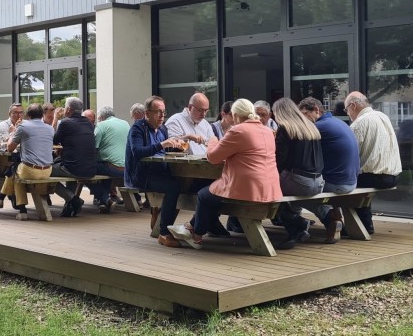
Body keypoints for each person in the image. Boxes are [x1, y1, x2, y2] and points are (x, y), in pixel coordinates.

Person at [168, 99, 282, 249]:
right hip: (271, 187)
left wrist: (213, 140)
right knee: (214, 194)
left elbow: (213, 158)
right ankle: (191, 227)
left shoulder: (238, 130)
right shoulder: (268, 131)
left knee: (204, 195)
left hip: (249, 188)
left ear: (235, 115)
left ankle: (196, 234)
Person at [124, 95, 188, 248]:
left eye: (164, 112)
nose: (162, 116)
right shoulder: (138, 128)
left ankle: (164, 217)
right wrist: (162, 144)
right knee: (173, 186)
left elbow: (163, 150)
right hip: (140, 175)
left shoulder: (162, 129)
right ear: (147, 113)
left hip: (159, 171)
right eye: (158, 112)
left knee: (186, 182)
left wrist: (174, 146)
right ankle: (164, 233)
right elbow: (137, 151)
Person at [297, 97, 360, 244]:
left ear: (317, 110)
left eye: (305, 114)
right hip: (351, 180)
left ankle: (330, 219)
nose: (303, 119)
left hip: (338, 183)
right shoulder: (338, 122)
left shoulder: (319, 127)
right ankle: (334, 216)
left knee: (298, 190)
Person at [344, 91, 402, 234]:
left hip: (375, 176)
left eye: (346, 110)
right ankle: (366, 224)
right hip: (393, 177)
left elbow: (348, 155)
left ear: (353, 105)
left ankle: (357, 225)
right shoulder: (383, 116)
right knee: (359, 178)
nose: (347, 114)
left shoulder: (359, 123)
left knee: (342, 182)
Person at [271, 97, 325, 250]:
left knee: (264, 189)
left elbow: (279, 160)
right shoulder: (310, 126)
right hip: (319, 182)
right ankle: (296, 228)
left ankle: (298, 223)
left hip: (300, 182)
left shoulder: (285, 128)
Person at [0, 103, 55, 220]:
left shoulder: (23, 127)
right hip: (48, 170)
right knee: (16, 171)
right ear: (42, 115)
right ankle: (4, 202)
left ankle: (8, 202)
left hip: (31, 170)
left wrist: (14, 131)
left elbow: (9, 148)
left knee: (13, 172)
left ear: (27, 115)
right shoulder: (50, 128)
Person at [51, 96, 97, 217]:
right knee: (70, 166)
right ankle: (69, 207)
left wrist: (55, 119)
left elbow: (54, 140)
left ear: (68, 109)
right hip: (90, 167)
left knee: (42, 173)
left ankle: (73, 199)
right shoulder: (88, 122)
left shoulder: (65, 122)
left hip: (74, 167)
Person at [93, 105, 130, 213]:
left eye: (98, 119)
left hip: (112, 167)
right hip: (126, 168)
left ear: (101, 117)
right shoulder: (125, 123)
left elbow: (93, 148)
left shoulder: (101, 125)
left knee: (85, 171)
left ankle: (104, 199)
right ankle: (103, 203)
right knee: (104, 166)